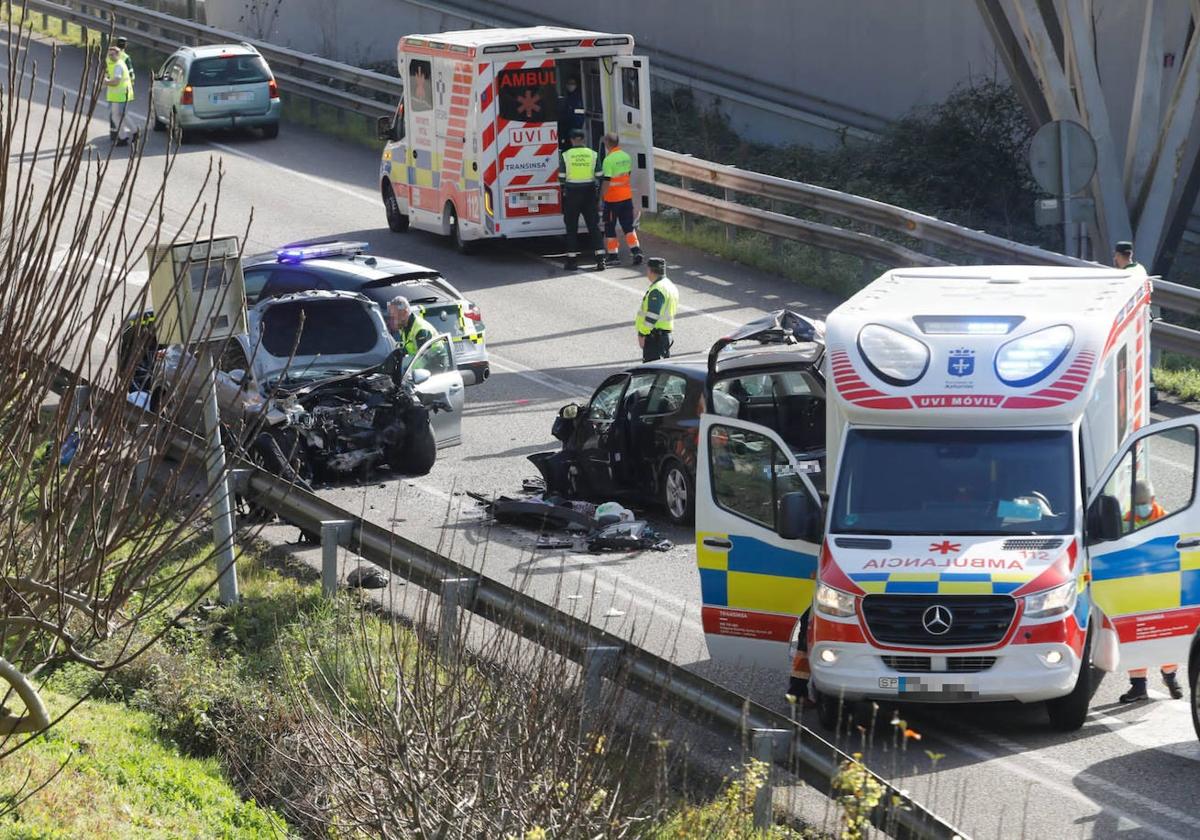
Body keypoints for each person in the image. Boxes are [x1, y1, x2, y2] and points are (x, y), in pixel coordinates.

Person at [1118, 479, 1182, 702]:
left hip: (1163, 586)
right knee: (1137, 636)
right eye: (1138, 504)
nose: (1141, 507)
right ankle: (1138, 687)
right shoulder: (1125, 521)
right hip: (1136, 587)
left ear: (1153, 500)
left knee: (1166, 634)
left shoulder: (1168, 518)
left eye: (1144, 503)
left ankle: (1170, 677)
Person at [558, 128, 605, 271]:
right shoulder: (593, 154)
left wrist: (563, 189)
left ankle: (572, 261)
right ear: (584, 140)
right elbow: (599, 174)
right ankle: (600, 260)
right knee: (593, 227)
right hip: (589, 193)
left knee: (571, 227)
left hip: (572, 193)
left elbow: (561, 177)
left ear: (572, 140)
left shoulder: (566, 155)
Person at [599, 132, 643, 266]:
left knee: (609, 227)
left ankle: (613, 256)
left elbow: (607, 181)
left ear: (607, 143)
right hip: (626, 197)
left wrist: (601, 197)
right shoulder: (626, 156)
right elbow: (627, 175)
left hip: (612, 200)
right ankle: (636, 251)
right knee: (628, 226)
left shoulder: (608, 160)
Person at [635, 257, 678, 362]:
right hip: (663, 336)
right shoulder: (669, 285)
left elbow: (652, 316)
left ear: (650, 271)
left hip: (655, 338)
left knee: (651, 372)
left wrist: (642, 334)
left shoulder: (657, 289)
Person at [386, 296, 436, 370]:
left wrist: (405, 368)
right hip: (421, 369)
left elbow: (425, 360)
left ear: (404, 313)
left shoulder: (421, 330)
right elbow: (408, 350)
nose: (392, 320)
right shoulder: (405, 327)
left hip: (435, 368)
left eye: (394, 317)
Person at [104, 44, 136, 146]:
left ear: (118, 55)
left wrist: (106, 82)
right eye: (109, 55)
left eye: (113, 55)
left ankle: (132, 134)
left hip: (122, 95)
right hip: (118, 96)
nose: (110, 57)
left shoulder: (118, 65)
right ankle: (124, 136)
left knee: (121, 116)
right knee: (117, 116)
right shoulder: (117, 63)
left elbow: (116, 81)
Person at [558, 75, 585, 149]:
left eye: (572, 83)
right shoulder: (566, 96)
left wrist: (577, 128)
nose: (571, 85)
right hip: (566, 129)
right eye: (569, 83)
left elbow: (579, 114)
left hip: (574, 128)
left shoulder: (578, 98)